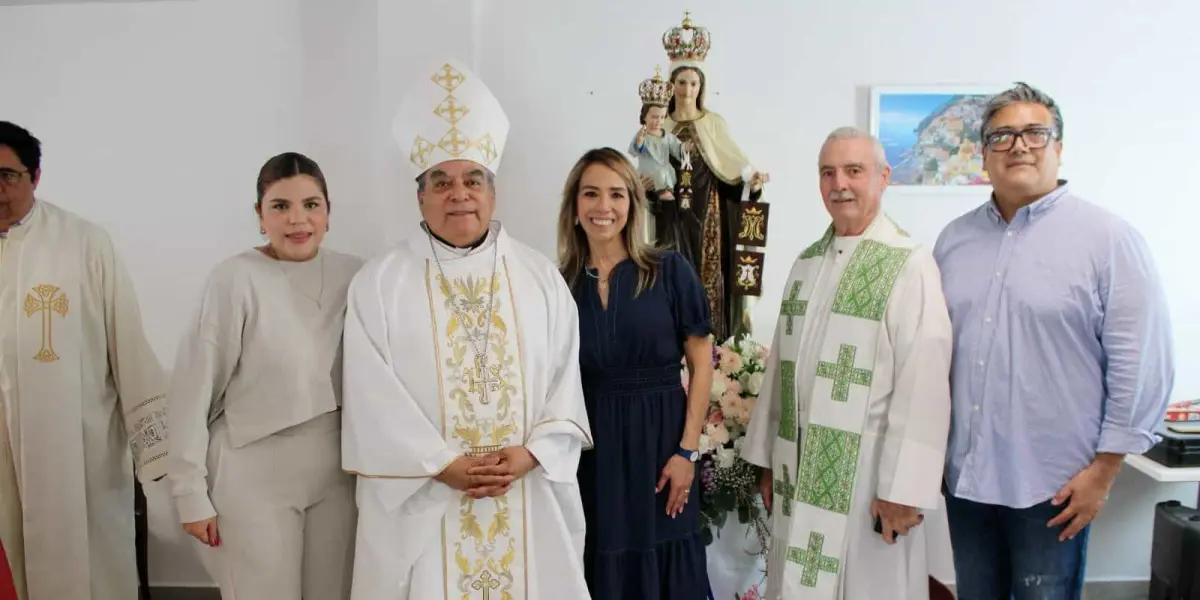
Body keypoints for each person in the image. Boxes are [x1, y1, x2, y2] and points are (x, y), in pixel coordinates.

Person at [340, 58, 594, 599]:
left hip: (523, 492)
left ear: (492, 191)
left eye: (472, 179)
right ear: (420, 196)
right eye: (442, 181)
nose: (459, 194)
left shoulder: (540, 278)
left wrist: (532, 454)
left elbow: (564, 382)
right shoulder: (379, 283)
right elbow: (370, 396)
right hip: (429, 499)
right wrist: (442, 464)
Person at [934, 82, 1174, 600]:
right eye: (1002, 135)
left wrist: (1104, 472)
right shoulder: (952, 241)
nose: (1019, 145)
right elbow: (934, 355)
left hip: (1056, 486)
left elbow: (1141, 363)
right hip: (967, 480)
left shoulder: (1108, 239)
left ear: (1058, 147)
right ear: (984, 154)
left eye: (1035, 133)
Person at [742, 126, 953, 600]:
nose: (840, 183)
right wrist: (769, 460)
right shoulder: (807, 262)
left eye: (854, 171)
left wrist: (905, 489)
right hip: (798, 468)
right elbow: (782, 370)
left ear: (882, 177)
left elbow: (925, 382)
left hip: (869, 481)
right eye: (828, 173)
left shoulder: (908, 262)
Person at [166, 152, 361, 598]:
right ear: (260, 215)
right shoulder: (233, 280)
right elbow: (192, 390)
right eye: (280, 206)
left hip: (336, 471)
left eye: (311, 205)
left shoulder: (357, 275)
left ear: (328, 212)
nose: (298, 219)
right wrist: (189, 492)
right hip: (253, 471)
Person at [0, 121, 169, 600]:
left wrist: (154, 447)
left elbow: (128, 341)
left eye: (7, 175)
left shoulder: (83, 243)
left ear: (34, 176)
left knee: (83, 570)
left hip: (75, 455)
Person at [557, 147, 713, 599]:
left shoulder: (668, 271)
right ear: (574, 207)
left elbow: (701, 364)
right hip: (594, 454)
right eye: (591, 194)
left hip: (662, 448)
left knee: (667, 563)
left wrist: (687, 453)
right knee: (601, 561)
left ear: (633, 205)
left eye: (616, 194)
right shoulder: (558, 284)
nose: (603, 207)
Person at [649, 12, 768, 341]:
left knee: (709, 276)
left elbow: (732, 163)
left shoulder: (712, 123)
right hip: (671, 217)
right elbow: (646, 170)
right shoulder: (660, 127)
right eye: (681, 82)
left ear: (701, 86)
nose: (687, 89)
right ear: (671, 85)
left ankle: (714, 343)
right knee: (671, 274)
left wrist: (750, 180)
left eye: (693, 82)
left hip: (709, 212)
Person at [629, 66, 691, 204]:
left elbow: (676, 148)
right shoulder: (643, 135)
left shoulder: (667, 136)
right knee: (657, 173)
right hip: (648, 171)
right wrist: (639, 141)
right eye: (654, 117)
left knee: (665, 172)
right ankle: (662, 191)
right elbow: (636, 149)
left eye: (662, 117)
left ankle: (666, 190)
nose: (658, 121)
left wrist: (684, 148)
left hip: (664, 169)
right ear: (645, 116)